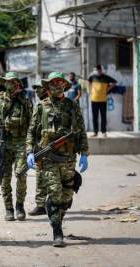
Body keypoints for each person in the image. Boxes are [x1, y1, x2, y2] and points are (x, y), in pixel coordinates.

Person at [26, 72, 89, 247]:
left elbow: (81, 131)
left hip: (68, 158)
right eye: (53, 83)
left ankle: (56, 217)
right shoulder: (41, 107)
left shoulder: (72, 106)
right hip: (48, 159)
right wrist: (29, 152)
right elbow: (32, 131)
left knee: (67, 196)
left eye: (59, 83)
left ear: (64, 86)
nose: (56, 86)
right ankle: (57, 231)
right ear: (48, 87)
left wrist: (84, 153)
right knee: (54, 193)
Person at [0, 72, 32, 221]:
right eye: (7, 82)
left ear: (17, 83)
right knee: (5, 177)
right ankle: (8, 208)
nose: (10, 84)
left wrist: (31, 144)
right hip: (4, 142)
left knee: (21, 174)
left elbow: (32, 124)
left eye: (13, 82)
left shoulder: (25, 101)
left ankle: (20, 206)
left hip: (21, 142)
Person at [28, 83, 49, 216]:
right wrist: (30, 149)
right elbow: (33, 127)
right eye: (35, 90)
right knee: (40, 176)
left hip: (55, 146)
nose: (37, 91)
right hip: (40, 145)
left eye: (39, 89)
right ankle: (41, 205)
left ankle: (59, 203)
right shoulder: (39, 105)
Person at [88, 65, 117, 137]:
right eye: (96, 70)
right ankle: (95, 132)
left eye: (99, 70)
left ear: (101, 70)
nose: (98, 71)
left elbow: (114, 82)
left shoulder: (106, 77)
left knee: (103, 116)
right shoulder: (92, 77)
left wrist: (108, 89)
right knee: (95, 117)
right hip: (94, 100)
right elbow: (88, 82)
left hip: (103, 100)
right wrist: (90, 91)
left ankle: (103, 132)